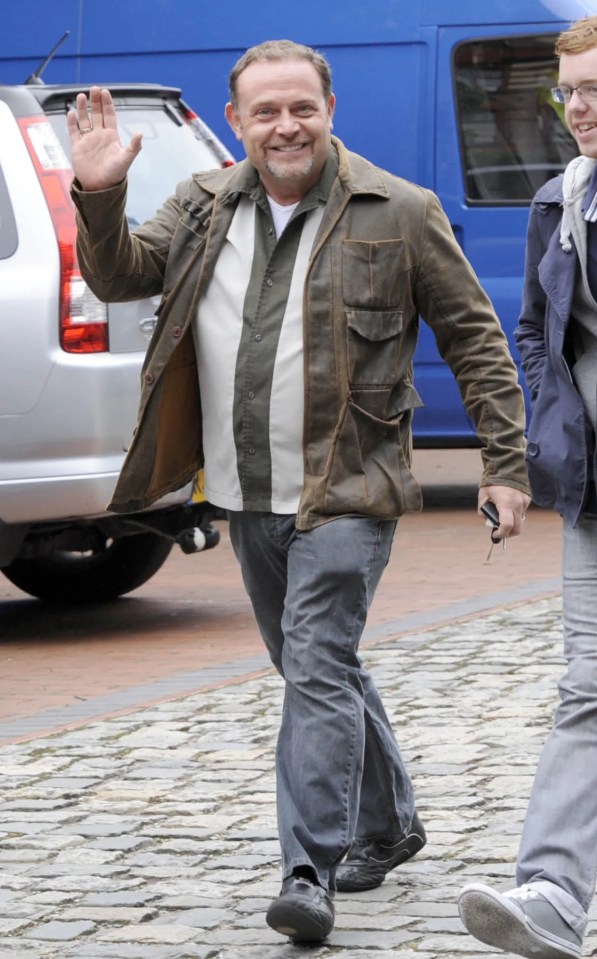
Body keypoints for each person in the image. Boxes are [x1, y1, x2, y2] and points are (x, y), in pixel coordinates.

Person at [67, 39, 530, 944]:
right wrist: (99, 192)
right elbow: (119, 272)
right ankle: (390, 821)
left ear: (329, 110)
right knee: (316, 664)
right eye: (265, 112)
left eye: (301, 108)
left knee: (315, 664)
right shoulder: (201, 207)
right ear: (234, 122)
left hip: (349, 489)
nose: (286, 126)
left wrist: (503, 465)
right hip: (246, 493)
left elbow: (475, 340)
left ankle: (306, 870)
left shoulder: (398, 210)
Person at [458, 15, 597, 959]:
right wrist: (550, 433)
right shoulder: (561, 198)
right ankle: (551, 889)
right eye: (571, 91)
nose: (580, 109)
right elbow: (536, 331)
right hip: (596, 494)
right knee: (587, 686)